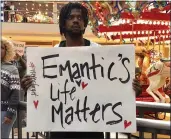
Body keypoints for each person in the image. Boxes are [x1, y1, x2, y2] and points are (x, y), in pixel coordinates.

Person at [21, 2, 142, 139]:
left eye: (79, 18)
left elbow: (113, 86)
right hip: (60, 130)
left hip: (92, 129)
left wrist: (131, 90)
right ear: (63, 23)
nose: (75, 21)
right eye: (71, 17)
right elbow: (43, 94)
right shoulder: (49, 57)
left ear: (84, 23)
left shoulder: (100, 53)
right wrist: (29, 88)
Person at [1, 37, 20, 139]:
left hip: (4, 112)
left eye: (2, 48)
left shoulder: (12, 69)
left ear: (7, 50)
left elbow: (15, 93)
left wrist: (9, 114)